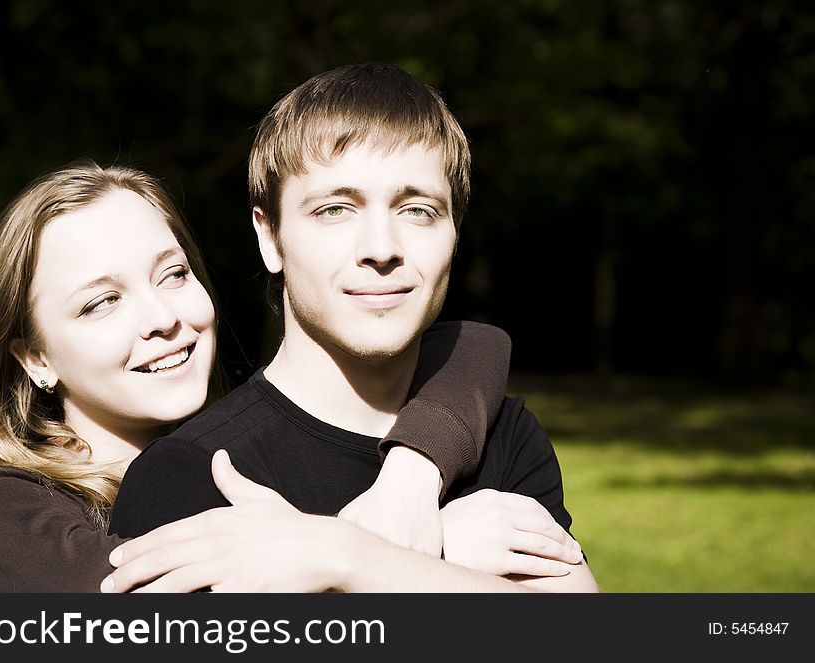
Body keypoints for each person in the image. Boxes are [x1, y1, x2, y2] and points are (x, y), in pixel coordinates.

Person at [105, 63, 598, 592]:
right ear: (269, 237)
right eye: (336, 210)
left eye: (417, 210)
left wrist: (357, 562)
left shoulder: (501, 433)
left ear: (455, 229)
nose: (382, 249)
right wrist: (431, 565)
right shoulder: (190, 475)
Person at [0, 159, 517, 592]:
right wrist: (397, 556)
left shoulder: (239, 452)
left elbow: (473, 345)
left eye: (173, 275)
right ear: (34, 358)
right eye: (101, 303)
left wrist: (412, 476)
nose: (163, 318)